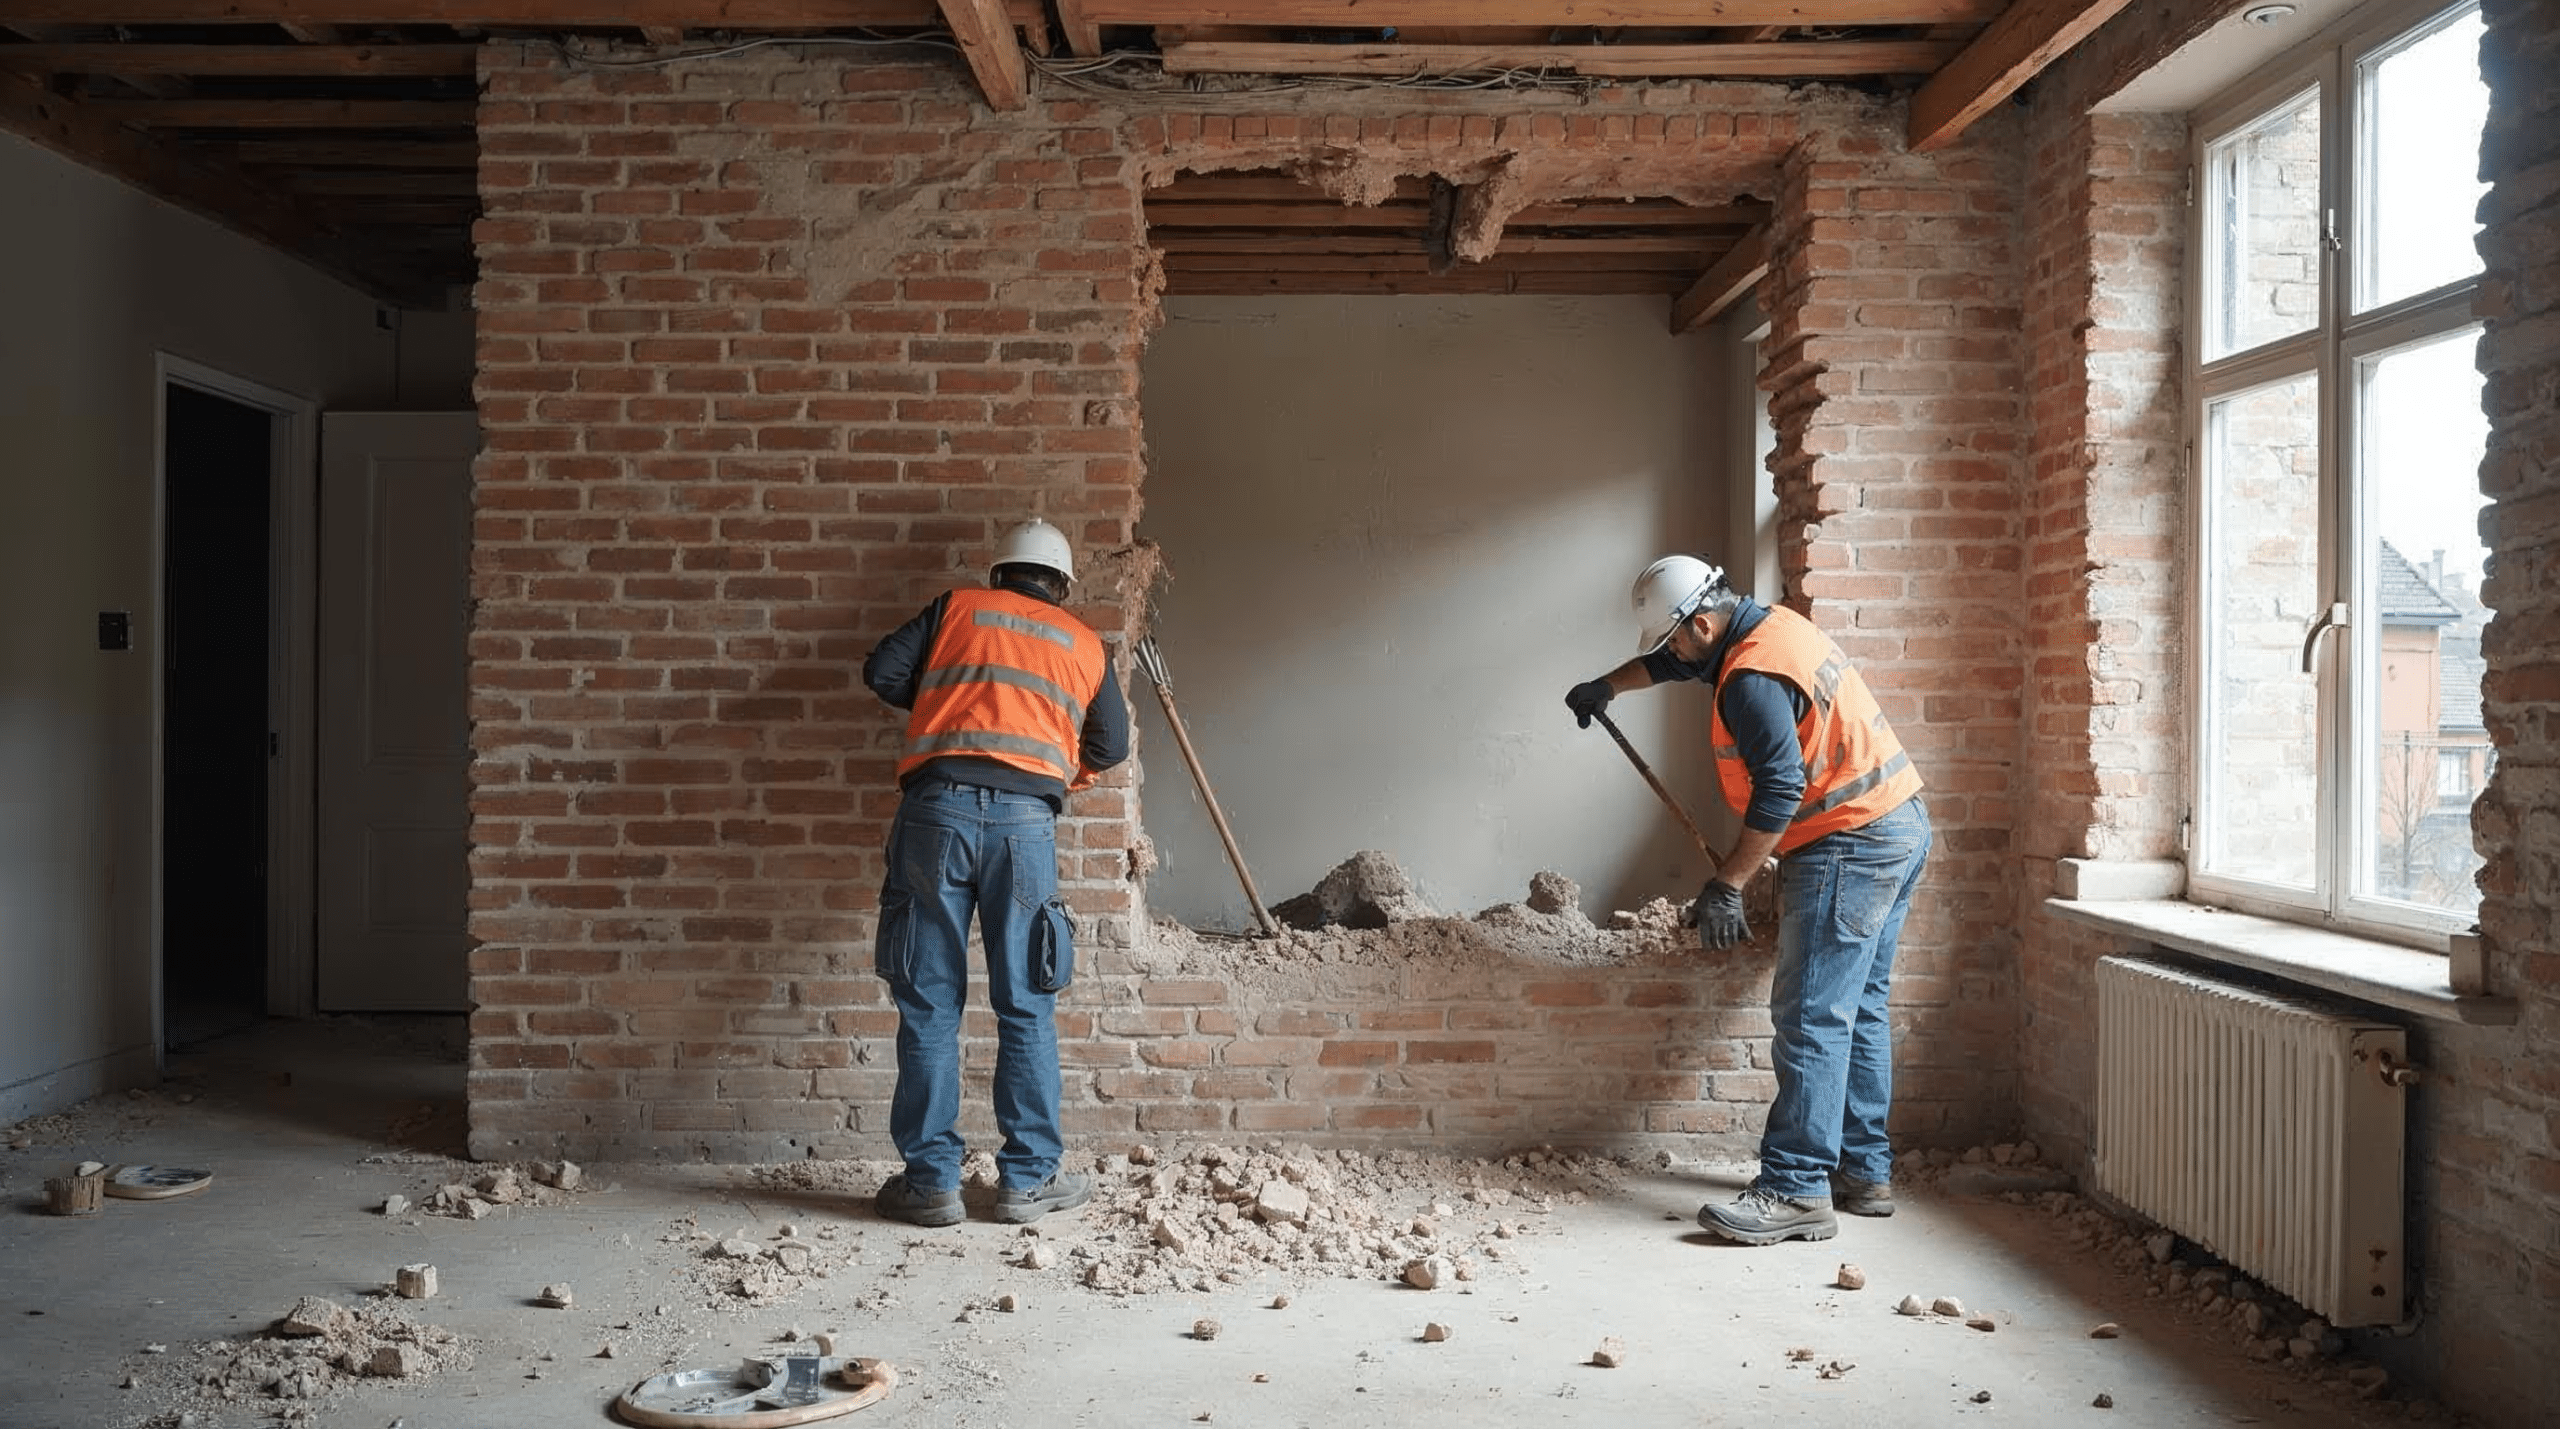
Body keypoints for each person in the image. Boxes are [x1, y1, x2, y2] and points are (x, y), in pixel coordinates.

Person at [1566, 555, 1931, 1245]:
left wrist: (1726, 883)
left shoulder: (1752, 680)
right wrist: (1607, 685)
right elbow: (1680, 666)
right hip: (1899, 821)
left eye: (1674, 638)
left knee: (1810, 1014)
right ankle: (1863, 1168)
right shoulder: (1765, 628)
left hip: (1847, 841)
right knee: (1861, 1005)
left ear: (1702, 623)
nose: (1670, 654)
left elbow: (1780, 791)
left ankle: (1797, 1187)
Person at [860, 519, 1130, 1227]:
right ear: (1062, 584)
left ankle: (930, 1184)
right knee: (1027, 1002)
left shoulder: (956, 608)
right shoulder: (1082, 644)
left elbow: (881, 671)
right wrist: (1056, 765)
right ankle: (1029, 1180)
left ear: (999, 571)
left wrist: (947, 709)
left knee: (928, 1004)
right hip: (1025, 828)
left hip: (935, 815)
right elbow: (1112, 743)